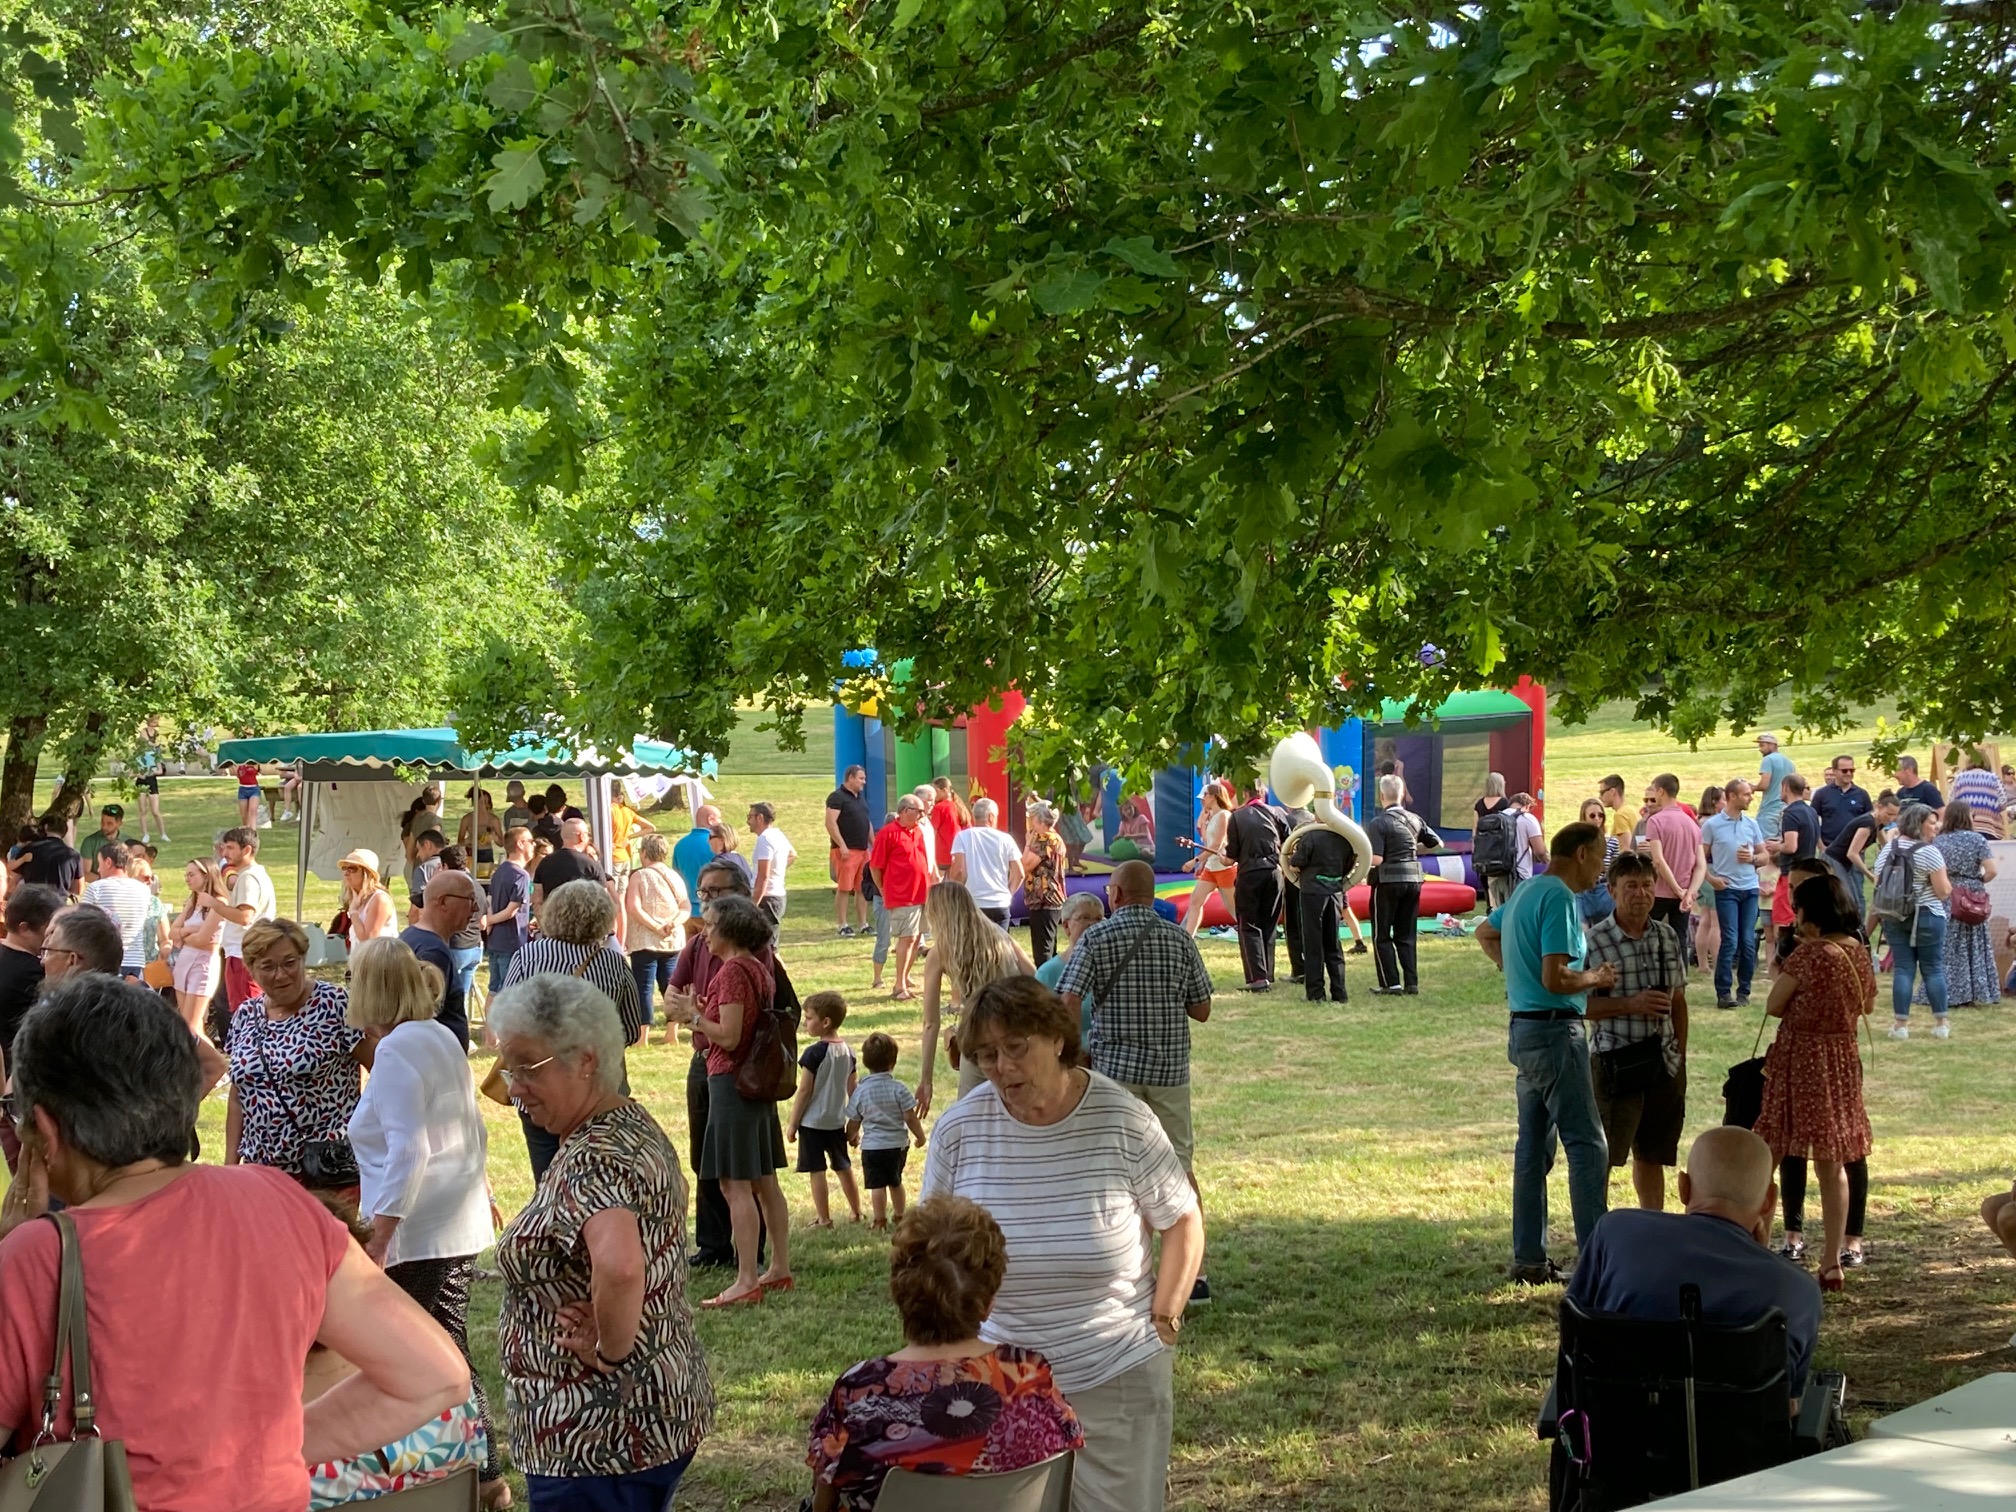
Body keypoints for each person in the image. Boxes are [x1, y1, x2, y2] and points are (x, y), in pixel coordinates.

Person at [0, 974, 470, 1512]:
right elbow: (434, 1376)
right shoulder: (280, 1201)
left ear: (46, 1130)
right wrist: (266, 1446)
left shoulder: (37, 1257)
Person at [924, 977, 1203, 1512]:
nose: (1002, 1067)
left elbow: (1183, 1219)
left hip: (1114, 1368)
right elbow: (933, 1245)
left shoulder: (1122, 1118)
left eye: (1015, 1047)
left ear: (1056, 1038)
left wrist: (1165, 1320)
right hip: (997, 1377)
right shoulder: (960, 1130)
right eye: (986, 1055)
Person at [490, 972, 716, 1509]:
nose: (512, 1087)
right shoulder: (627, 1122)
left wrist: (610, 1350)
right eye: (508, 1068)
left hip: (597, 1434)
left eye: (527, 1068)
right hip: (645, 1413)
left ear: (585, 1060)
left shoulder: (594, 1158)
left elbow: (620, 1267)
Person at [342, 937, 505, 1508]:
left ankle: (450, 1472)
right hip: (452, 1219)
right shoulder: (437, 1035)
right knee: (447, 1345)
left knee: (413, 1356)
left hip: (418, 1230)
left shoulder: (395, 1050)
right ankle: (483, 1474)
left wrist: (380, 1237)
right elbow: (467, 1126)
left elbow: (410, 1150)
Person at [805, 1196, 1084, 1510]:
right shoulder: (1030, 1376)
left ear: (898, 1294)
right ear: (987, 1303)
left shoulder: (858, 1390)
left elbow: (823, 1502)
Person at [1058, 858, 1215, 1303]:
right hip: (1169, 1072)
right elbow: (1202, 1009)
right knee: (1179, 1168)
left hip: (1116, 1074)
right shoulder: (1179, 938)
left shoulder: (1097, 938)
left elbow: (1068, 999)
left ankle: (1126, 1269)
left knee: (1116, 1170)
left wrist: (1073, 1050)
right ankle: (1194, 1275)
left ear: (1117, 894)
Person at [1565, 1128, 1822, 1399]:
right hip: (1734, 1427)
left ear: (1683, 1187)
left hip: (1611, 1421)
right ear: (1769, 1201)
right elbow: (1788, 1404)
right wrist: (1761, 1254)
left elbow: (1572, 1334)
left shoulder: (1615, 1232)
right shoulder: (1799, 1291)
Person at [1475, 822, 1618, 1284]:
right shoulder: (1558, 897)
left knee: (1533, 1149)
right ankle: (1597, 1265)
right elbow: (1557, 977)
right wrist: (1595, 977)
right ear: (1580, 854)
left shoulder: (1525, 891)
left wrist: (1512, 969)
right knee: (1588, 1145)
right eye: (1599, 859)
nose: (1600, 871)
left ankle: (1529, 1259)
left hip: (1524, 1031)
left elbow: (1484, 932)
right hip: (1556, 1033)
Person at [1755, 874, 1876, 1292]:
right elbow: (1869, 1004)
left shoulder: (1809, 955)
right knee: (1832, 1159)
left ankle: (1756, 1250)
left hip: (1801, 1059)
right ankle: (1831, 1262)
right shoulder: (1857, 951)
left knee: (1770, 1149)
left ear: (1812, 913)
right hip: (1840, 1060)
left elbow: (1774, 1005)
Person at [671, 861, 793, 1269]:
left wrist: (694, 1017)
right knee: (762, 1180)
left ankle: (746, 1275)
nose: (704, 931)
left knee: (735, 1184)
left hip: (730, 1079)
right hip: (750, 1080)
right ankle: (777, 1267)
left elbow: (729, 1036)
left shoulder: (734, 970)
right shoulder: (753, 967)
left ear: (731, 927)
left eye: (711, 924)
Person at [504, 880, 644, 1179]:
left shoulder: (527, 957)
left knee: (548, 1181)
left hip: (537, 1087)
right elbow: (631, 1031)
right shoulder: (614, 964)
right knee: (598, 1183)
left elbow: (507, 1022)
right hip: (597, 1091)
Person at [225, 919, 365, 1187]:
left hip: (324, 1170)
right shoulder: (245, 1015)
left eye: (289, 963)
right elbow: (238, 1095)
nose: (281, 975)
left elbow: (380, 1071)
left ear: (303, 958)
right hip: (260, 1172)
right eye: (268, 966)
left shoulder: (334, 1004)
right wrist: (230, 1166)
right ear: (251, 969)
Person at [1585, 852, 1689, 1212]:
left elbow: (1678, 1001)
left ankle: (1653, 1227)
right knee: (1602, 1156)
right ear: (1612, 890)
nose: (1641, 894)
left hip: (1664, 1063)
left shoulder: (1667, 936)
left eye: (1647, 885)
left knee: (1653, 1155)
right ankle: (1595, 1231)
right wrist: (1632, 1004)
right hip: (1616, 1063)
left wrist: (1680, 1055)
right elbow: (1580, 1007)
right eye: (1631, 886)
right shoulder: (1594, 942)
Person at [921, 878, 1035, 1107]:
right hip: (1017, 1033)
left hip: (979, 1037)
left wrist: (926, 1080)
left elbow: (930, 1023)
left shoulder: (941, 951)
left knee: (972, 1111)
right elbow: (1034, 975)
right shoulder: (999, 935)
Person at [1874, 802, 1954, 1039]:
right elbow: (1943, 891)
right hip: (1928, 914)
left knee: (1903, 969)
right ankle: (1941, 1023)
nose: (1936, 827)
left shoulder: (1888, 850)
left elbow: (1878, 882)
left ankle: (1900, 1026)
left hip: (1895, 915)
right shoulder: (1929, 852)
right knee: (1933, 968)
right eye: (1932, 823)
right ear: (1919, 824)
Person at [786, 990, 861, 1227]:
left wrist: (793, 1123)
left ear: (825, 1022)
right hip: (837, 1122)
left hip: (812, 1123)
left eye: (809, 1018)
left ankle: (824, 1218)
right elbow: (854, 1090)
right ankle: (856, 1211)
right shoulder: (849, 1052)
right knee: (843, 1166)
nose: (805, 1023)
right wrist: (855, 1124)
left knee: (816, 1170)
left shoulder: (814, 1053)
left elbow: (804, 1091)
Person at [1363, 776, 1441, 995]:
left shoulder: (1378, 823)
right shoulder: (1415, 819)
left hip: (1387, 881)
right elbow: (1437, 843)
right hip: (1413, 879)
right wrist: (1413, 850)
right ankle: (1411, 983)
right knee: (1406, 934)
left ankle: (1391, 983)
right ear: (1402, 794)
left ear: (1381, 796)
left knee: (1382, 934)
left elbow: (1377, 859)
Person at [845, 1032, 928, 1229]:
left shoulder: (861, 1091)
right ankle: (900, 1216)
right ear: (893, 1062)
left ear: (866, 1062)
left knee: (877, 1185)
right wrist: (920, 1136)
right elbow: (910, 1117)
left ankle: (879, 1220)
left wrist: (852, 1137)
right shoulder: (898, 1089)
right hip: (897, 1145)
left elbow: (854, 1121)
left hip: (872, 1147)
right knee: (896, 1182)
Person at [1700, 778, 1766, 1010]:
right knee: (1730, 940)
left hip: (1750, 889)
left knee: (1747, 941)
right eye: (1746, 794)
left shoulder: (1752, 824)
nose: (1751, 797)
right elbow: (1699, 858)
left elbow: (1765, 856)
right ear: (1732, 796)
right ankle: (1724, 992)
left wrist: (1753, 858)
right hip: (1726, 890)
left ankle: (1744, 991)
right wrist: (1711, 879)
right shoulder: (1712, 825)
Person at [402, 868, 482, 1051]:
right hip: (435, 1058)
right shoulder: (433, 952)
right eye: (470, 899)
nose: (476, 908)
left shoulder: (413, 936)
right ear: (443, 901)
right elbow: (424, 1018)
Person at [1931, 800, 1999, 1009]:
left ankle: (1947, 991)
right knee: (1974, 943)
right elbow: (1992, 870)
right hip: (1971, 896)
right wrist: (1977, 880)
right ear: (1966, 817)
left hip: (1948, 892)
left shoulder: (1939, 841)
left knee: (1948, 944)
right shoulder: (1977, 839)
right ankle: (1974, 990)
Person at [869, 795, 934, 1002]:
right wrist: (882, 888)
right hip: (902, 895)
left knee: (916, 937)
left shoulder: (918, 832)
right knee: (907, 938)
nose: (923, 815)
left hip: (921, 893)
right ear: (906, 810)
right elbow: (875, 866)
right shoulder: (888, 833)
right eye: (919, 811)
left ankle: (905, 979)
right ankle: (899, 985)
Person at [1225, 780, 1288, 990]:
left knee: (1249, 925)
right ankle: (1267, 973)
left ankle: (1258, 978)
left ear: (1245, 793)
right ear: (1262, 792)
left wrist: (1224, 858)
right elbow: (1289, 843)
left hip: (1250, 873)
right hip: (1275, 872)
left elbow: (1230, 857)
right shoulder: (1277, 813)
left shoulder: (1237, 817)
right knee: (1269, 924)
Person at [625, 832, 690, 1033]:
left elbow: (633, 907)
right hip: (672, 939)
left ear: (644, 852)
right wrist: (673, 924)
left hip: (645, 939)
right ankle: (673, 1031)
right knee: (671, 985)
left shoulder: (639, 876)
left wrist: (655, 926)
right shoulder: (674, 876)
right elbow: (685, 906)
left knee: (643, 987)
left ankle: (643, 1033)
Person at [209, 826, 276, 1012]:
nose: (225, 853)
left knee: (246, 1012)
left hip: (243, 953)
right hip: (246, 951)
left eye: (230, 848)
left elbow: (245, 917)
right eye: (225, 848)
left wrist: (215, 905)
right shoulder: (252, 875)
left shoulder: (249, 877)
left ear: (247, 850)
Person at [1034, 891, 1108, 1039]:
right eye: (1085, 917)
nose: (1093, 924)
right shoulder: (1048, 973)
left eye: (1099, 919)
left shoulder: (1112, 966)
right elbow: (1039, 1026)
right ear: (1066, 926)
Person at [1769, 775, 1822, 970]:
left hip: (1791, 874)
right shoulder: (1811, 811)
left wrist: (1776, 846)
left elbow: (1791, 846)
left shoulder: (1790, 813)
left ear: (1785, 787)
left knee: (1784, 923)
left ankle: (1788, 965)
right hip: (1809, 871)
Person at [167, 858, 225, 1033]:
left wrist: (184, 935)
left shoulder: (219, 902)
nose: (187, 879)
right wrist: (189, 930)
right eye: (186, 875)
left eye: (191, 875)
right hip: (184, 961)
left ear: (206, 876)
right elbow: (172, 932)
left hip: (203, 964)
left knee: (191, 1026)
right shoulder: (193, 901)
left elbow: (202, 940)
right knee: (188, 1025)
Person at [79, 841, 152, 979]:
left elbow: (81, 923)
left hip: (104, 960)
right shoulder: (144, 890)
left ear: (108, 862)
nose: (98, 869)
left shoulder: (96, 888)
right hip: (134, 960)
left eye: (99, 863)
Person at [1178, 780, 1239, 943]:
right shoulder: (1212, 816)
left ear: (1214, 797)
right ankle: (1188, 939)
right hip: (1212, 868)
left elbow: (1217, 845)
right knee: (1195, 901)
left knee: (1233, 908)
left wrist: (1195, 860)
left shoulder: (1224, 815)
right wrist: (1203, 864)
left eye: (1205, 796)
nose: (1202, 799)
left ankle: (1249, 934)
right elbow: (1208, 844)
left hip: (1225, 868)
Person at [948, 798, 1024, 926]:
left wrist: (957, 896)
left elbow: (959, 871)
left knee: (973, 939)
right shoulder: (1006, 839)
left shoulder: (962, 837)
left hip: (972, 903)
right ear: (991, 817)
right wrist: (1008, 893)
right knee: (1000, 939)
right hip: (999, 903)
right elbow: (1019, 874)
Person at [1824, 788, 1899, 916]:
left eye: (1895, 815)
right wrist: (1870, 875)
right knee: (1846, 899)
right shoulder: (1867, 824)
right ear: (1879, 807)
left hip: (1844, 862)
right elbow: (1852, 853)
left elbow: (1885, 844)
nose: (1891, 819)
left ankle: (1857, 926)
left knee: (1856, 897)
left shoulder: (1879, 823)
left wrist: (1894, 856)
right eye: (1889, 814)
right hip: (1834, 860)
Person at [484, 825, 535, 995]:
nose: (534, 845)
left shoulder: (499, 871)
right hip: (511, 941)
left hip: (495, 941)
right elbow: (511, 911)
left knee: (494, 990)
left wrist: (489, 924)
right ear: (520, 844)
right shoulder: (521, 875)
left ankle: (490, 1015)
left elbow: (489, 901)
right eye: (531, 841)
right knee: (510, 993)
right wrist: (489, 921)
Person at [532, 817, 616, 918]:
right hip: (584, 923)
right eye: (587, 834)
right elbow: (602, 903)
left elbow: (537, 901)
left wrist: (544, 925)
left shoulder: (544, 864)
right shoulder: (592, 865)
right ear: (582, 836)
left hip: (553, 922)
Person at [826, 765, 875, 937]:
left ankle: (863, 923)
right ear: (851, 778)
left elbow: (866, 821)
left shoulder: (860, 798)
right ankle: (842, 924)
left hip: (863, 850)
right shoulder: (837, 797)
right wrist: (842, 845)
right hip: (846, 851)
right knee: (845, 888)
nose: (864, 782)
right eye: (861, 778)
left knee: (862, 888)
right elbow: (830, 822)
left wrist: (873, 844)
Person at [1021, 801, 1070, 964]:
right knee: (1050, 948)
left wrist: (1028, 843)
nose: (1031, 824)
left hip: (1043, 899)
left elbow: (1025, 865)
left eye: (1033, 819)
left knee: (1042, 952)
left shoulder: (1045, 839)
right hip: (1053, 898)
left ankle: (1044, 979)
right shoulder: (1056, 838)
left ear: (1041, 821)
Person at [335, 847, 398, 947]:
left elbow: (368, 939)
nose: (346, 873)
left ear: (366, 873)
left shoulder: (379, 899)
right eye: (345, 868)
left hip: (379, 956)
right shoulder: (358, 899)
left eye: (352, 869)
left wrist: (353, 912)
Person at [1811, 755, 1873, 849]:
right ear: (1834, 771)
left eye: (1851, 770)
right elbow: (1812, 821)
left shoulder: (1862, 794)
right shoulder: (1822, 794)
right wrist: (1821, 846)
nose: (1848, 773)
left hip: (1854, 849)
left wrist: (1863, 846)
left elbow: (1870, 822)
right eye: (1844, 770)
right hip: (1829, 848)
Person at [1572, 798, 1619, 925]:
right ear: (1584, 817)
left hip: (1604, 890)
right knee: (1582, 929)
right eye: (1592, 815)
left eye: (1600, 815)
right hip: (1582, 891)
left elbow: (1617, 871)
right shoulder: (1576, 842)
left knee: (1606, 929)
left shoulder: (1612, 842)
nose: (1597, 819)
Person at [11, 821, 81, 899]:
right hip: (59, 901)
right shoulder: (73, 855)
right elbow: (78, 889)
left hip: (31, 900)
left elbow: (13, 882)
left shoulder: (28, 850)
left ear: (46, 827)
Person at [1950, 749, 2007, 838]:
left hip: (1964, 826)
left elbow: (1951, 801)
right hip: (1989, 826)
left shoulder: (1959, 778)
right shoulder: (1994, 778)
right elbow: (2003, 803)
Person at [672, 802, 722, 903]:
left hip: (688, 905)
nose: (721, 822)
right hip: (713, 905)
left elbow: (676, 875)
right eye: (719, 818)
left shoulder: (680, 845)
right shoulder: (718, 843)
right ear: (711, 819)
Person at [1752, 732, 1796, 840]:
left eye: (1762, 745)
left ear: (1772, 745)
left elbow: (1764, 784)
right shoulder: (1789, 763)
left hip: (1769, 808)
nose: (1760, 749)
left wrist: (1752, 787)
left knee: (1767, 843)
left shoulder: (1768, 759)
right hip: (1785, 808)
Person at [134, 717, 169, 842]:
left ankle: (163, 834)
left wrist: (152, 772)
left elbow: (160, 770)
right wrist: (139, 774)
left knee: (155, 811)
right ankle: (145, 834)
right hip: (141, 782)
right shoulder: (137, 756)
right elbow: (132, 772)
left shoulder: (155, 755)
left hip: (152, 781)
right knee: (143, 810)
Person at [930, 777, 970, 873]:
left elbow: (932, 832)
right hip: (961, 854)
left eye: (936, 791)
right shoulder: (960, 806)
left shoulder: (939, 808)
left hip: (943, 856)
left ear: (944, 790)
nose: (934, 795)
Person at [77, 802, 126, 872]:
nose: (104, 827)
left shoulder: (127, 842)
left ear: (119, 823)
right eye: (102, 822)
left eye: (109, 823)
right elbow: (85, 873)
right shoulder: (89, 842)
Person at [707, 821, 755, 890]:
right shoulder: (741, 858)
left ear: (721, 840)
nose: (708, 841)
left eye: (710, 837)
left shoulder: (719, 862)